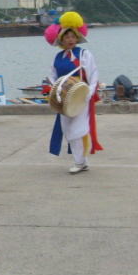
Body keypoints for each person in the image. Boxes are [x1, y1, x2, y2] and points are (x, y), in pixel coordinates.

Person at [44, 11, 102, 173]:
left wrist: (88, 92)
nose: (70, 39)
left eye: (73, 36)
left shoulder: (84, 54)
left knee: (79, 129)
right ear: (61, 39)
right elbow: (53, 76)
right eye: (66, 36)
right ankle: (82, 161)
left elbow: (93, 74)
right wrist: (54, 90)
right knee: (68, 130)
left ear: (77, 37)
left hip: (80, 97)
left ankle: (79, 162)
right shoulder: (58, 57)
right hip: (65, 98)